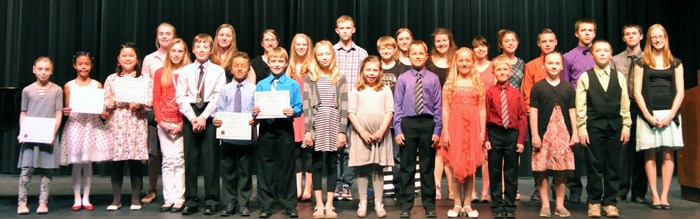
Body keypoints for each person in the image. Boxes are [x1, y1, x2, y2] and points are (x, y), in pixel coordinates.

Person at [576, 40, 631, 218]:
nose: (601, 53)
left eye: (605, 50)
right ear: (592, 55)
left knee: (613, 166)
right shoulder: (586, 77)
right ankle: (594, 202)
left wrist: (626, 126)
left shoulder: (619, 77)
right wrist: (582, 129)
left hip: (615, 127)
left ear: (611, 54)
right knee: (594, 166)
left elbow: (625, 105)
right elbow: (581, 106)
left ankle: (610, 202)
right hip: (594, 127)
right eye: (598, 51)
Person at [633, 24, 685, 210]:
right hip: (648, 114)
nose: (657, 39)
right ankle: (654, 195)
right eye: (654, 37)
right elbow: (637, 92)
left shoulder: (676, 62)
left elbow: (680, 92)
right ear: (649, 39)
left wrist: (671, 115)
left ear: (665, 37)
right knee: (651, 154)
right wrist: (647, 115)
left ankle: (665, 196)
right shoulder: (641, 62)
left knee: (669, 154)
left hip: (669, 114)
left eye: (660, 36)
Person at [175, 34, 226, 215]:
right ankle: (191, 199)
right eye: (199, 46)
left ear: (211, 50)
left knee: (210, 158)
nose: (202, 50)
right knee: (191, 158)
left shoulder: (218, 71)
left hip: (209, 115)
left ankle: (212, 199)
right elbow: (180, 97)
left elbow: (218, 96)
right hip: (190, 114)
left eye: (206, 47)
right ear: (193, 49)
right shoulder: (186, 70)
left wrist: (204, 117)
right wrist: (193, 118)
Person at [394, 40, 441, 218]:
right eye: (414, 53)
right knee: (407, 167)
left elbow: (438, 106)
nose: (418, 56)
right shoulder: (403, 78)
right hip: (408, 124)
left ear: (426, 56)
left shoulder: (433, 78)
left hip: (427, 124)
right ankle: (406, 205)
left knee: (427, 167)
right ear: (408, 55)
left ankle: (429, 205)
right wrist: (398, 130)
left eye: (421, 53)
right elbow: (397, 105)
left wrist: (437, 130)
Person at [103, 42, 153, 211]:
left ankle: (135, 198)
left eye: (131, 55)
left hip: (136, 122)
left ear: (137, 59)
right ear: (118, 59)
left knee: (135, 161)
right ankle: (116, 200)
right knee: (117, 162)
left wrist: (140, 105)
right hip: (117, 122)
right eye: (124, 55)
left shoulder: (144, 79)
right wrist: (108, 104)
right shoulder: (112, 78)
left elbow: (150, 102)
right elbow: (104, 100)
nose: (128, 58)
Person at [255, 47, 303, 218]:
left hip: (284, 129)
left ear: (286, 64)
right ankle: (266, 205)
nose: (276, 64)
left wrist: (293, 111)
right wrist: (256, 110)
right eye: (273, 61)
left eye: (280, 61)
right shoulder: (261, 85)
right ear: (268, 62)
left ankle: (289, 204)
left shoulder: (292, 84)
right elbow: (256, 108)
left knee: (286, 166)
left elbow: (299, 107)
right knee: (265, 166)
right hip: (267, 129)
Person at [60, 51, 110, 212]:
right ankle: (76, 198)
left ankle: (86, 198)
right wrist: (65, 111)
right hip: (76, 126)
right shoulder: (69, 85)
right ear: (75, 65)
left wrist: (103, 112)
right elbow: (68, 107)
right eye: (80, 64)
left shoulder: (97, 85)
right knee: (76, 164)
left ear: (91, 66)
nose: (83, 67)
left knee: (87, 163)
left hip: (91, 125)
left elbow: (99, 108)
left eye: (86, 64)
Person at [303, 40, 348, 219]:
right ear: (315, 57)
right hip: (317, 121)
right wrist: (308, 130)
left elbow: (344, 106)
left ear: (332, 55)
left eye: (327, 54)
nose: (324, 57)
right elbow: (307, 105)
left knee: (331, 163)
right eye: (320, 54)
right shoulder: (310, 77)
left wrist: (342, 131)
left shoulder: (339, 77)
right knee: (316, 164)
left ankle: (330, 204)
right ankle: (319, 204)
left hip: (334, 121)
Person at [530, 52, 577, 218]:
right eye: (550, 63)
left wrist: (575, 133)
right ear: (544, 65)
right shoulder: (538, 87)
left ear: (562, 66)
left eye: (557, 63)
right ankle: (545, 205)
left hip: (563, 134)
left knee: (561, 171)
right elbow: (533, 112)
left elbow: (572, 112)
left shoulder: (567, 87)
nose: (554, 66)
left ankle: (559, 204)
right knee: (542, 170)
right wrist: (535, 134)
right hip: (545, 134)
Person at [348, 56, 395, 218]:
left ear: (380, 72)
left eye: (375, 70)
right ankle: (362, 201)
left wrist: (382, 130)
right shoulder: (357, 90)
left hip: (380, 135)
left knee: (378, 168)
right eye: (368, 70)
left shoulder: (385, 89)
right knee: (362, 168)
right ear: (362, 71)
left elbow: (390, 110)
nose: (371, 73)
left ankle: (378, 202)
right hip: (361, 135)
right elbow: (351, 112)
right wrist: (362, 131)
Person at [442, 48, 486, 218]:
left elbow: (482, 109)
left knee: (470, 167)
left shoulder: (477, 83)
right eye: (461, 60)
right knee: (454, 166)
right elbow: (445, 110)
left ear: (473, 62)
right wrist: (446, 132)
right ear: (456, 63)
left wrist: (482, 132)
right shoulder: (450, 83)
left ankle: (467, 204)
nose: (465, 63)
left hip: (473, 128)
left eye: (468, 60)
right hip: (455, 128)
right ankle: (457, 204)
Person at [16, 57, 63, 215]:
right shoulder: (27, 90)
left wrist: (53, 133)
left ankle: (43, 202)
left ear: (51, 71)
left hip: (48, 135)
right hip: (31, 136)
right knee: (26, 170)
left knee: (47, 170)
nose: (43, 72)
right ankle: (22, 202)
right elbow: (24, 112)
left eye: (47, 69)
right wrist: (23, 132)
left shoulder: (57, 90)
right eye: (40, 69)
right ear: (34, 69)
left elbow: (58, 113)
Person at [213, 52, 257, 217]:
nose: (239, 69)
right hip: (228, 138)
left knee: (245, 172)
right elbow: (220, 110)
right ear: (231, 69)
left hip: (246, 138)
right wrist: (217, 120)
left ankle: (244, 204)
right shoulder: (225, 89)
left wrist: (255, 119)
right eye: (236, 66)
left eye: (243, 66)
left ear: (248, 68)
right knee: (228, 172)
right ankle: (229, 204)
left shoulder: (254, 89)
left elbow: (256, 111)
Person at [484, 54, 527, 218]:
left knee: (511, 172)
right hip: (495, 134)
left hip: (512, 134)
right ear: (493, 72)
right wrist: (487, 139)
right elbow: (486, 117)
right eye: (498, 69)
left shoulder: (516, 93)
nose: (502, 72)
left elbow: (522, 118)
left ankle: (509, 206)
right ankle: (496, 206)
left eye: (505, 69)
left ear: (510, 72)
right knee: (494, 172)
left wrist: (521, 140)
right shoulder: (489, 93)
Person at [611, 24, 648, 204]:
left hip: (643, 107)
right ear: (623, 38)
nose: (631, 36)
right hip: (622, 108)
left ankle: (639, 192)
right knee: (622, 150)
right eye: (627, 34)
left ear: (641, 36)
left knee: (641, 149)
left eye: (634, 33)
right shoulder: (615, 60)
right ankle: (621, 189)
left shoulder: (648, 58)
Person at [152, 38, 190, 213]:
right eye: (173, 51)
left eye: (180, 51)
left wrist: (182, 122)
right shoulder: (161, 72)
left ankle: (180, 198)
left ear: (185, 53)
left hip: (182, 123)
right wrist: (161, 121)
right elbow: (156, 99)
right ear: (168, 53)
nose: (176, 54)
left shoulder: (188, 72)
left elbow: (189, 100)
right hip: (165, 123)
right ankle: (169, 198)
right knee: (168, 161)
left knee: (180, 160)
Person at [333, 15, 368, 201]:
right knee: (337, 148)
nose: (345, 31)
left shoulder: (362, 53)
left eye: (348, 28)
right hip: (335, 106)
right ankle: (337, 184)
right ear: (337, 30)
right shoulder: (331, 52)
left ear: (353, 30)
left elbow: (364, 81)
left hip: (355, 108)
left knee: (351, 148)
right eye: (342, 28)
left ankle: (346, 184)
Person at [141, 22, 176, 204]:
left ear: (174, 36)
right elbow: (145, 86)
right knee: (153, 154)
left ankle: (177, 192)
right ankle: (152, 189)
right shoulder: (149, 59)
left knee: (176, 154)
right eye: (161, 33)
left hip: (176, 112)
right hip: (154, 111)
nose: (164, 36)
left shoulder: (180, 55)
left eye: (168, 33)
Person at [562, 18, 597, 203]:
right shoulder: (568, 57)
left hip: (597, 107)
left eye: (590, 30)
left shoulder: (600, 54)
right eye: (583, 30)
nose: (587, 33)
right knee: (575, 150)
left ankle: (595, 192)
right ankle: (574, 188)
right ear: (577, 33)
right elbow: (566, 85)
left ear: (594, 33)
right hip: (576, 108)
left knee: (595, 151)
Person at [522, 28, 558, 201]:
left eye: (551, 41)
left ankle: (558, 187)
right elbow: (527, 92)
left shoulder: (560, 61)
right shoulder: (531, 65)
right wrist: (532, 114)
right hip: (538, 114)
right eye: (544, 41)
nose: (548, 44)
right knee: (539, 151)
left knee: (559, 151)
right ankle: (539, 187)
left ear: (556, 42)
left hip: (559, 115)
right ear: (538, 44)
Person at [377, 36, 410, 199]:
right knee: (378, 156)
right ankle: (375, 190)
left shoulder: (402, 68)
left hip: (397, 119)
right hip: (378, 118)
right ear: (378, 50)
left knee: (398, 156)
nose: (386, 51)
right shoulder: (375, 67)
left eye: (389, 48)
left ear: (395, 49)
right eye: (383, 48)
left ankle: (399, 189)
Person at [287, 33, 314, 203]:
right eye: (298, 44)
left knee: (309, 151)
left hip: (309, 112)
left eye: (304, 44)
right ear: (294, 46)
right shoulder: (289, 65)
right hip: (294, 114)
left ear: (308, 46)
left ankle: (308, 186)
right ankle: (297, 186)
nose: (301, 47)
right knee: (296, 150)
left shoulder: (313, 65)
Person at [471, 36, 493, 203]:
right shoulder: (469, 67)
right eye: (477, 47)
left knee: (486, 154)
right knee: (471, 153)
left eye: (483, 46)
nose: (480, 49)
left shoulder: (493, 67)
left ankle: (485, 192)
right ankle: (471, 191)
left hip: (489, 112)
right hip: (471, 113)